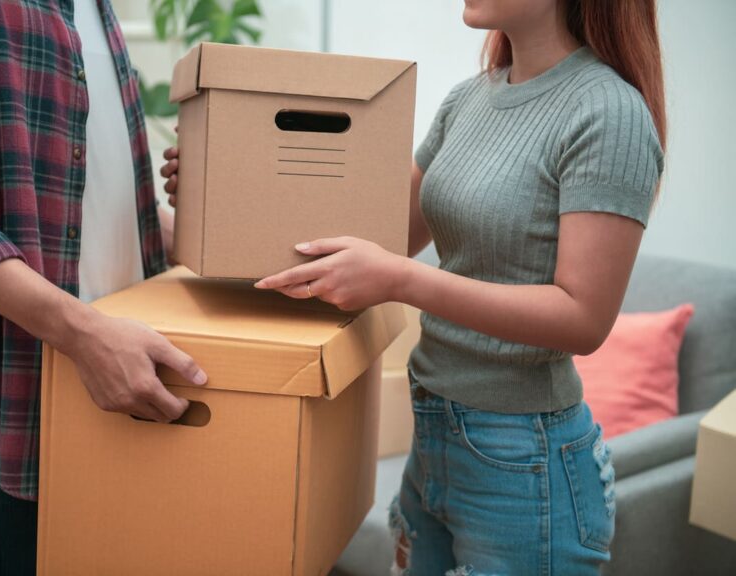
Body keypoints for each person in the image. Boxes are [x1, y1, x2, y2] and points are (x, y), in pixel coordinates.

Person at [164, 0, 665, 573]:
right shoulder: (470, 99)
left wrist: (401, 279)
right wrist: (218, 184)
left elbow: (583, 319)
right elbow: (376, 234)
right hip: (434, 433)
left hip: (524, 458)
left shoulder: (609, 112)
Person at [0, 1, 205, 574]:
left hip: (121, 383)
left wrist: (210, 220)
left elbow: (92, 199)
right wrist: (85, 336)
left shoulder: (96, 10)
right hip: (21, 397)